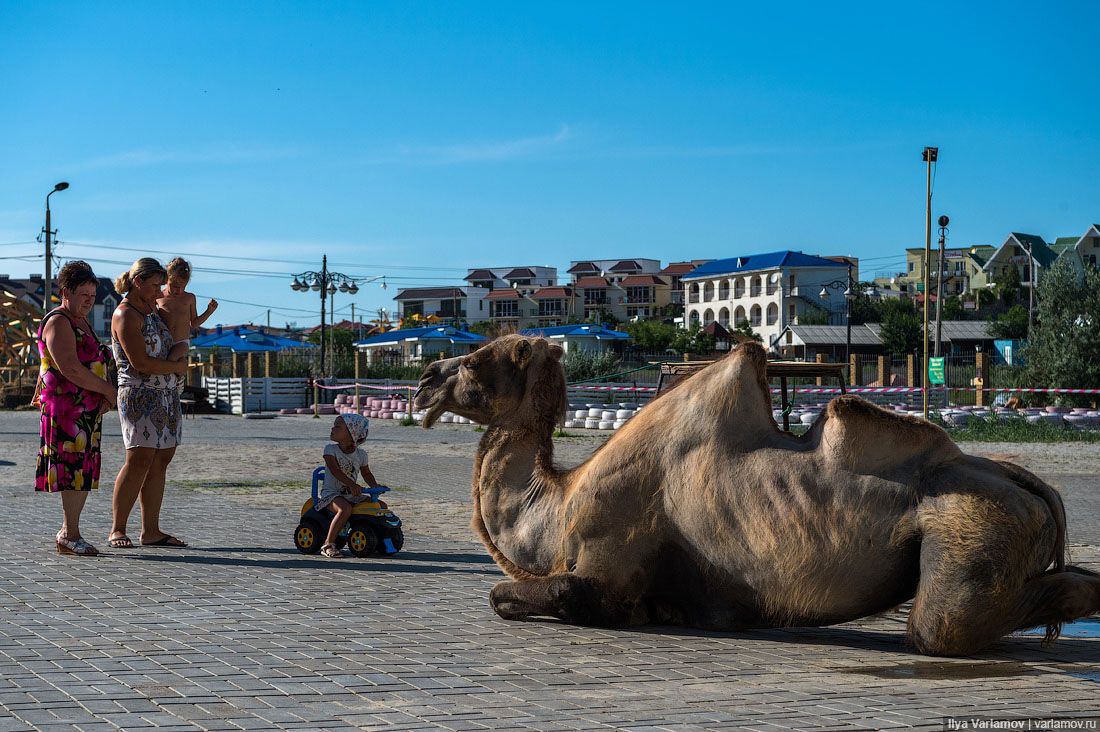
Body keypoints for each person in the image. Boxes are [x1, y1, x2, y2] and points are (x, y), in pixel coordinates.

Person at [34, 261, 117, 556]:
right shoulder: (59, 321)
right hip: (67, 411)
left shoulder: (81, 321)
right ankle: (69, 533)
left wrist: (104, 393)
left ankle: (70, 532)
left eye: (93, 296)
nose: (89, 301)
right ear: (65, 292)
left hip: (85, 410)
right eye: (84, 295)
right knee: (72, 471)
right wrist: (108, 390)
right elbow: (69, 368)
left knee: (82, 471)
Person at [108, 258, 190, 549]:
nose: (160, 291)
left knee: (161, 459)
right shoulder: (126, 314)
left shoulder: (152, 309)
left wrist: (180, 351)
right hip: (139, 395)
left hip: (167, 395)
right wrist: (176, 368)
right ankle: (118, 528)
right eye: (155, 285)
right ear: (138, 281)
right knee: (139, 458)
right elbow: (140, 362)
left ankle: (151, 531)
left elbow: (172, 342)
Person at [318, 414, 381, 558]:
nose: (332, 428)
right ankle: (328, 544)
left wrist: (374, 486)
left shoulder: (361, 454)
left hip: (351, 494)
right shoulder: (330, 450)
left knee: (379, 506)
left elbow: (366, 474)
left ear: (351, 433)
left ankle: (377, 538)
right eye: (334, 425)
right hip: (332, 494)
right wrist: (353, 485)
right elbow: (335, 471)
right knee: (344, 508)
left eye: (337, 426)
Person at [156, 257, 218, 348]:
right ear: (166, 280)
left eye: (183, 286)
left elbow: (194, 323)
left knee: (173, 359)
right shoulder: (158, 297)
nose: (179, 290)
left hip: (181, 342)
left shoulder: (189, 298)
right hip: (163, 343)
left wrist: (209, 311)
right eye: (174, 286)